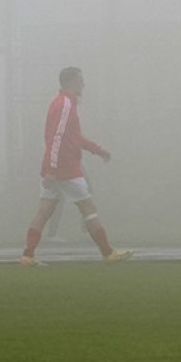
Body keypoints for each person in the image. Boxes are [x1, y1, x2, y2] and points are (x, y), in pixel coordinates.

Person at [19, 67, 131, 266]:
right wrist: (53, 169)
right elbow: (56, 137)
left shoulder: (63, 103)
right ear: (71, 81)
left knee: (44, 211)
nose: (84, 84)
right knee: (88, 207)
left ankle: (27, 255)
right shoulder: (65, 105)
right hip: (65, 168)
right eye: (81, 81)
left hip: (55, 167)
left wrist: (97, 150)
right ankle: (108, 253)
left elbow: (74, 137)